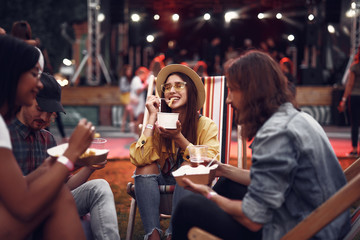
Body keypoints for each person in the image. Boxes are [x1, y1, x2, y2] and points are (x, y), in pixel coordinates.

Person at [171, 50, 351, 240]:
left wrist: (208, 194)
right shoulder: (296, 117)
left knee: (188, 207)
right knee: (228, 182)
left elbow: (252, 220)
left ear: (251, 91)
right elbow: (270, 179)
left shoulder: (276, 133)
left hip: (306, 231)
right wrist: (221, 169)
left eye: (232, 90)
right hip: (322, 221)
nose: (228, 99)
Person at [0, 34, 93, 239]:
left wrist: (48, 167)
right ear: (13, 74)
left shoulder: (41, 137)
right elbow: (23, 204)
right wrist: (71, 153)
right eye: (34, 74)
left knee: (59, 195)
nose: (40, 84)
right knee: (57, 198)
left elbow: (20, 188)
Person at [8, 72, 120, 240]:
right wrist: (69, 157)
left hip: (51, 204)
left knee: (99, 187)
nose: (45, 118)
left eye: (51, 113)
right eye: (40, 109)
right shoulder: (6, 135)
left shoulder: (47, 138)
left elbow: (65, 186)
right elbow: (15, 192)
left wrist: (89, 166)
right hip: (19, 210)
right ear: (26, 99)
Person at [129, 64, 220, 240]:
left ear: (191, 91)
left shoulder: (206, 125)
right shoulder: (159, 125)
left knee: (189, 166)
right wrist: (152, 117)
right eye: (167, 87)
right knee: (144, 167)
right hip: (159, 184)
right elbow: (139, 159)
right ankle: (153, 235)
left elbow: (210, 160)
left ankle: (173, 235)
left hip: (193, 188)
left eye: (179, 85)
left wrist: (179, 138)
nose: (171, 90)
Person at [338, 48, 360, 157]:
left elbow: (349, 84)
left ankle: (355, 149)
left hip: (355, 96)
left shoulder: (355, 67)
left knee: (355, 123)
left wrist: (344, 99)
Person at [129, 66, 149, 134]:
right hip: (138, 103)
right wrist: (145, 85)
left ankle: (137, 133)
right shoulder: (136, 79)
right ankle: (137, 133)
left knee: (140, 118)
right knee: (139, 119)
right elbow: (138, 91)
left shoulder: (137, 80)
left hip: (138, 102)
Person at [119, 64, 134, 132]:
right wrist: (130, 88)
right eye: (128, 70)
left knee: (126, 112)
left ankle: (123, 127)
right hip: (125, 97)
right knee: (129, 110)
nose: (130, 71)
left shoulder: (130, 79)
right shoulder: (123, 79)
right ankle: (131, 127)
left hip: (129, 97)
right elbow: (122, 89)